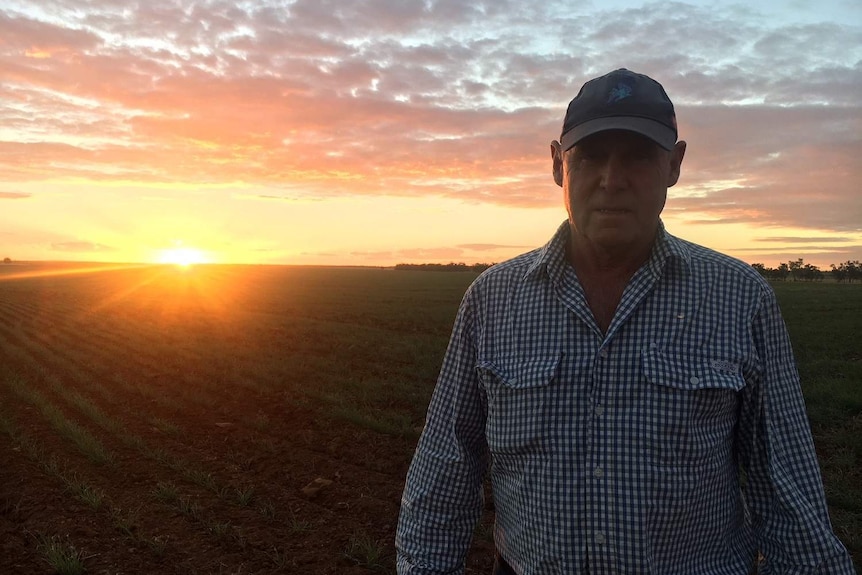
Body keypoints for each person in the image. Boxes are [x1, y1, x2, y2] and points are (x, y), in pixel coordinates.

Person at [395, 68, 855, 574]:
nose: (612, 181)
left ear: (675, 164)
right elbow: (445, 469)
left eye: (637, 156)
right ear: (556, 164)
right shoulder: (492, 299)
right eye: (590, 156)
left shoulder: (740, 296)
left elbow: (785, 484)